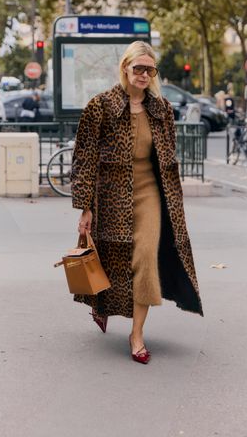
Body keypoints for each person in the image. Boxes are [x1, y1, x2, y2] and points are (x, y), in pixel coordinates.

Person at [71, 41, 203, 365]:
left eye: (150, 69)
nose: (144, 74)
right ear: (126, 68)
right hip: (110, 196)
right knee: (109, 260)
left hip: (150, 195)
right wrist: (85, 207)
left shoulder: (162, 109)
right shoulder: (100, 106)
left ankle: (137, 333)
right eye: (138, 68)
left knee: (145, 258)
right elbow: (84, 157)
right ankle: (99, 305)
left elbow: (168, 159)